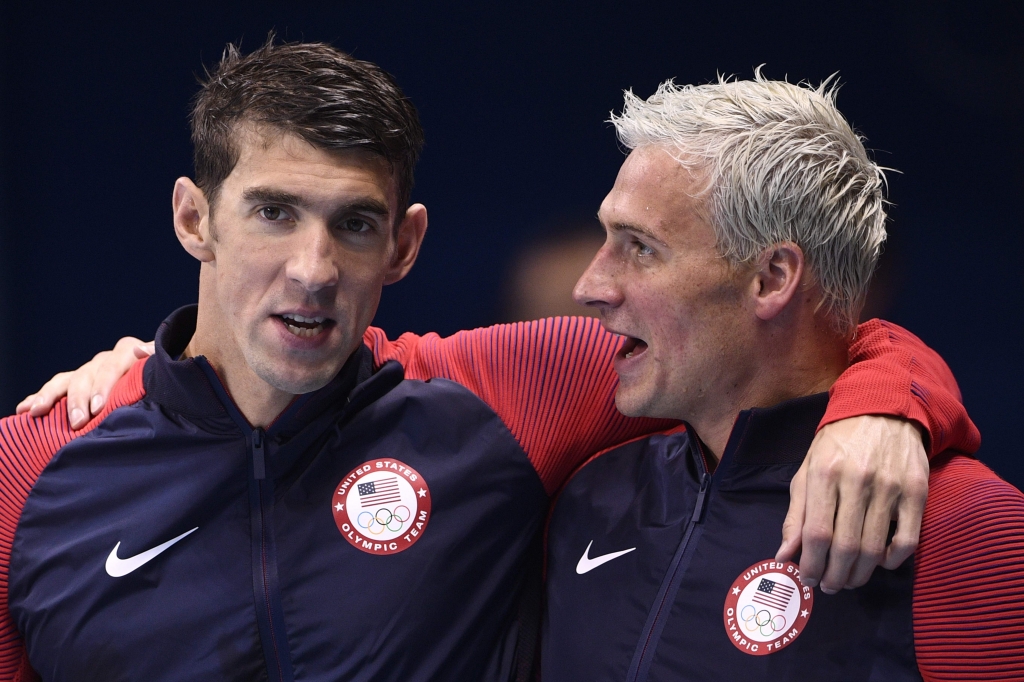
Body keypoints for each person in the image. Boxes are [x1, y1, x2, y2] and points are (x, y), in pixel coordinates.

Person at [4, 40, 976, 680]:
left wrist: (882, 401)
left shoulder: (506, 398)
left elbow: (772, 344)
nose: (312, 270)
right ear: (192, 218)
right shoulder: (31, 469)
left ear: (406, 244)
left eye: (354, 224)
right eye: (272, 212)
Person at [542, 74, 1024, 680]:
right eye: (606, 238)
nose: (590, 288)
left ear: (772, 278)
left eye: (640, 247)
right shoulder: (589, 491)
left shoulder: (970, 529)